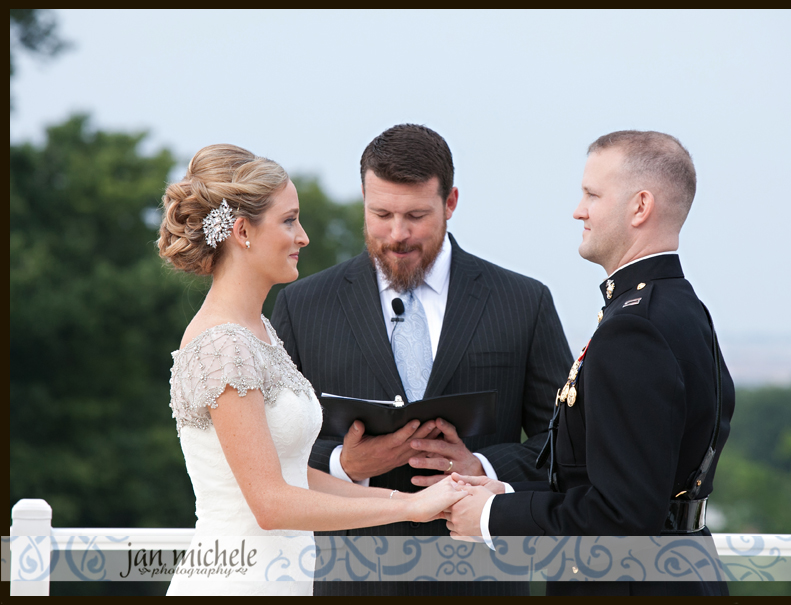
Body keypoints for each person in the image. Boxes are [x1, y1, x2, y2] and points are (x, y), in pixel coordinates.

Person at [271, 124, 573, 595]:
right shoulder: (302, 305)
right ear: (364, 201)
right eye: (381, 213)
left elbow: (563, 444)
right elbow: (273, 447)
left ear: (451, 202)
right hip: (353, 582)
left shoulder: (524, 301)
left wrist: (481, 468)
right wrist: (344, 463)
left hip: (482, 581)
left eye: (416, 215)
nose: (397, 234)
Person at [158, 144, 468, 596]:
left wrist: (417, 502)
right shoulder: (222, 344)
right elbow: (271, 504)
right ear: (242, 231)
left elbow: (294, 475)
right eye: (289, 220)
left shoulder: (259, 330)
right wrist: (408, 510)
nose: (303, 236)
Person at [447, 131, 736, 596]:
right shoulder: (681, 308)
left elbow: (621, 517)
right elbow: (616, 481)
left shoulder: (633, 328)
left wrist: (489, 516)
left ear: (640, 207)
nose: (578, 210)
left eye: (592, 195)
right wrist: (507, 492)